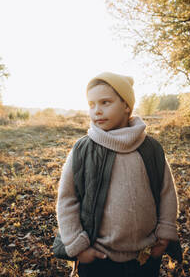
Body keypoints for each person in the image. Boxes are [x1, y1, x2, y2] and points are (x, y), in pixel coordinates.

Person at [56, 72, 179, 277]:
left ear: (126, 106)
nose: (97, 111)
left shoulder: (150, 148)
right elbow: (67, 199)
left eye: (105, 102)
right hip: (99, 258)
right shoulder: (83, 150)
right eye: (91, 104)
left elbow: (166, 193)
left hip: (145, 256)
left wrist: (164, 236)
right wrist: (79, 247)